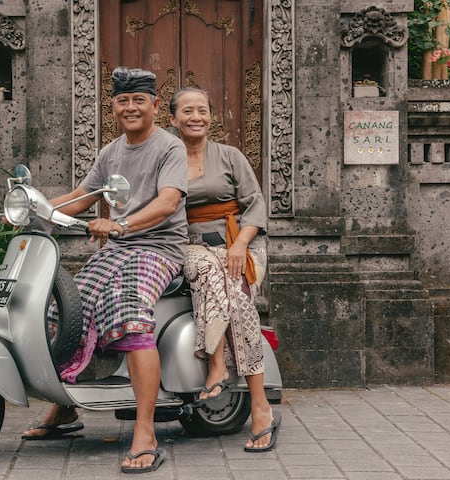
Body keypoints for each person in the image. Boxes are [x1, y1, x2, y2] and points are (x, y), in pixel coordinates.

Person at [20, 67, 188, 474]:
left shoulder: (170, 148)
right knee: (65, 309)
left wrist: (121, 224)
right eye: (122, 101)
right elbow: (83, 196)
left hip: (159, 249)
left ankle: (145, 431)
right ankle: (64, 409)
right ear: (113, 107)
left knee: (130, 313)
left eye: (138, 100)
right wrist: (36, 209)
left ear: (153, 105)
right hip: (119, 248)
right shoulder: (111, 151)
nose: (130, 107)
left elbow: (168, 203)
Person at [168, 87, 281, 452]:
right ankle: (256, 403)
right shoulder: (167, 159)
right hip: (190, 247)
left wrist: (239, 244)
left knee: (232, 282)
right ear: (173, 119)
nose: (195, 116)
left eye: (202, 110)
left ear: (211, 117)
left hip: (240, 244)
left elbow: (255, 205)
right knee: (212, 271)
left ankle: (231, 378)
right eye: (187, 111)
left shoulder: (230, 156)